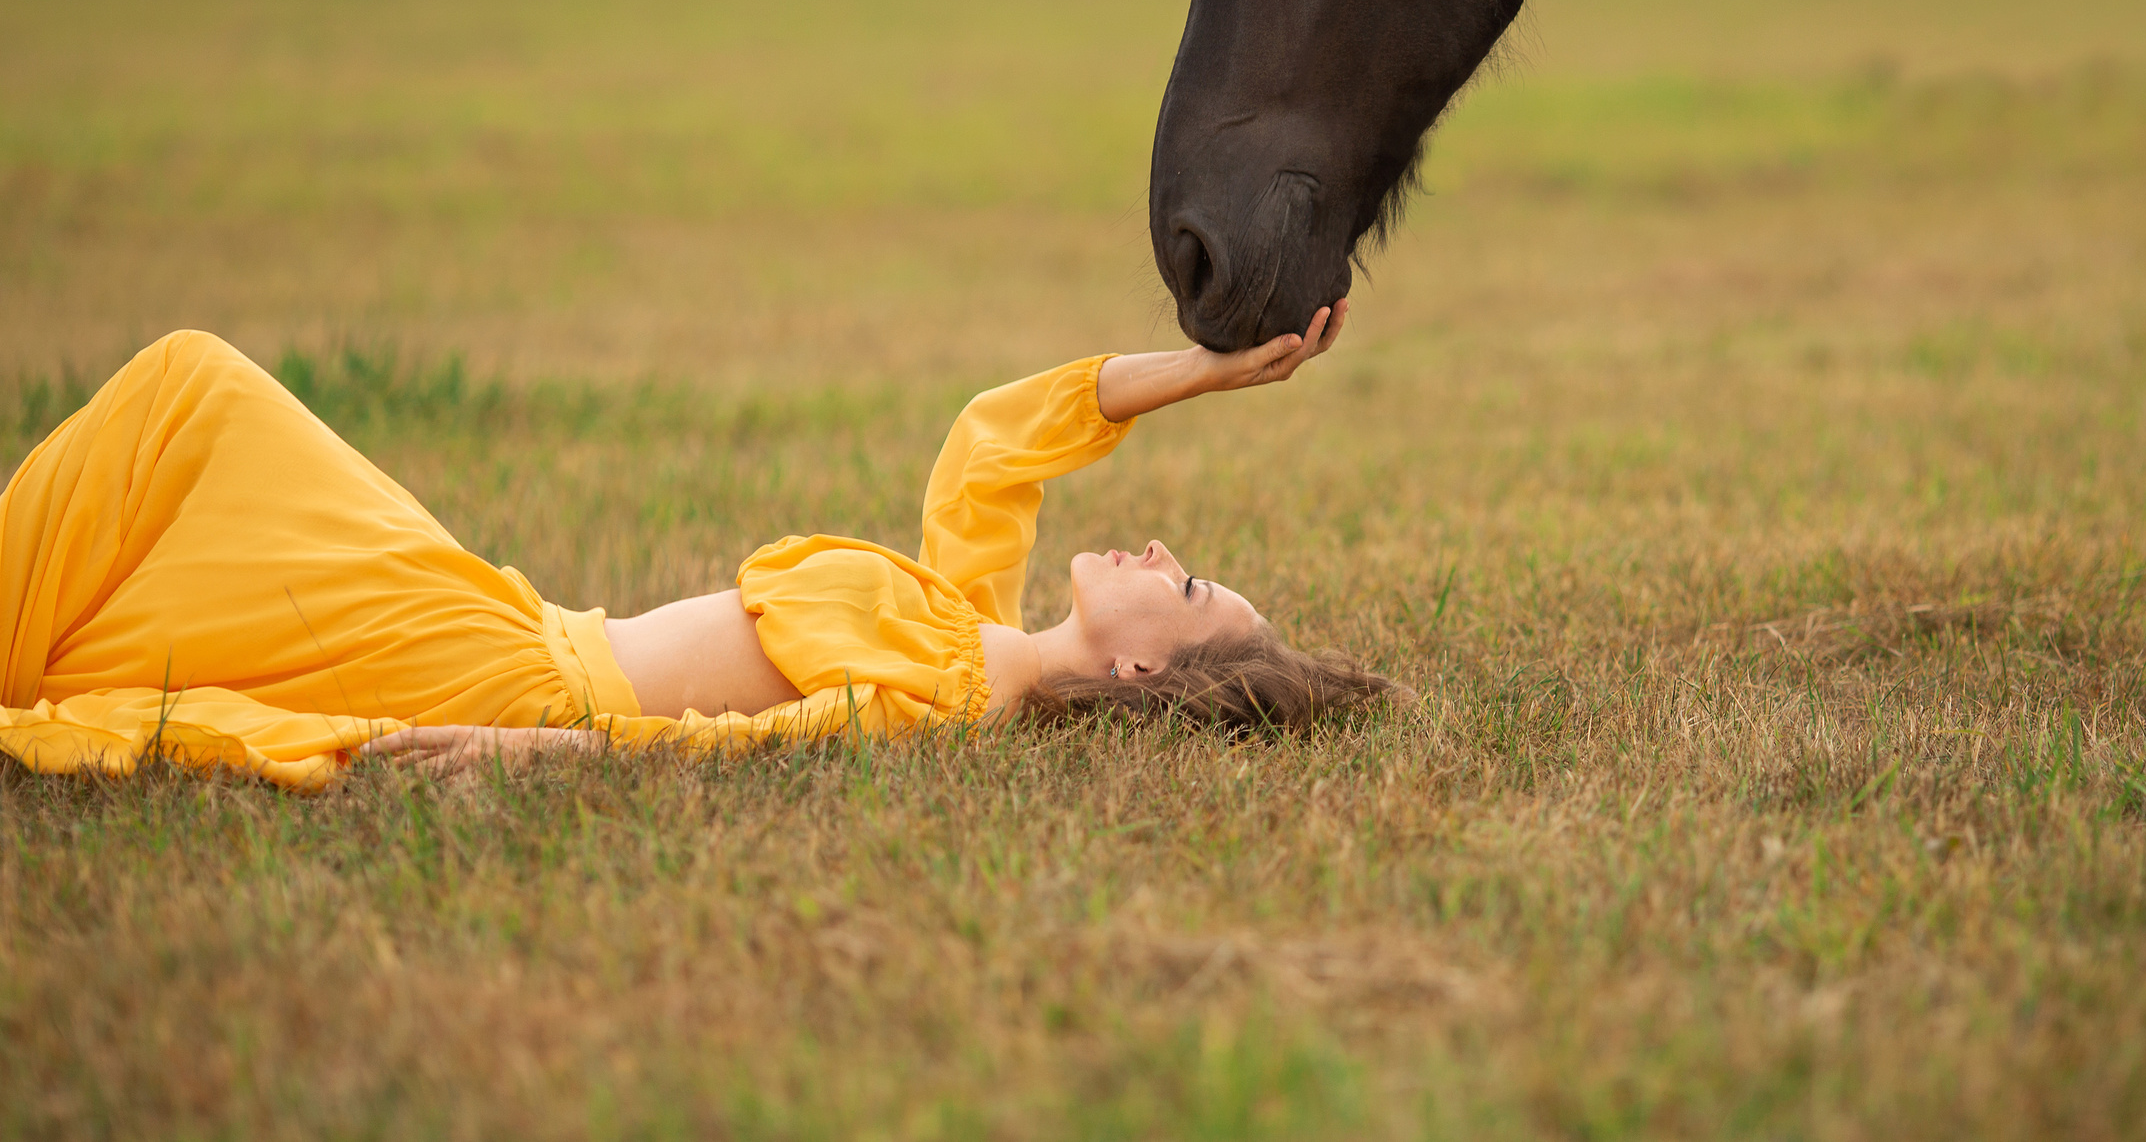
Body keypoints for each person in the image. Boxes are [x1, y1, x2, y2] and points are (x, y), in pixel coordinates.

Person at [0, 306, 1398, 789]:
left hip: (515, 681)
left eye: (1189, 583)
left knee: (197, 390)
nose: (1161, 551)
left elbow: (734, 749)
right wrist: (1203, 371)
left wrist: (536, 755)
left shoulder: (954, 704)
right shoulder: (974, 620)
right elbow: (992, 446)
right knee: (197, 424)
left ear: (1151, 677)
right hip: (502, 614)